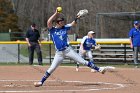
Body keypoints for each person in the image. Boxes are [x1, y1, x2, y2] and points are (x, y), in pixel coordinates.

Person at [34, 8, 106, 87]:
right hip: (59, 53)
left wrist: (77, 17)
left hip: (68, 50)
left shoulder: (65, 27)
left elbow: (72, 24)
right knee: (52, 68)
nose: (63, 22)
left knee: (82, 61)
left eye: (63, 21)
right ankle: (41, 82)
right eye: (61, 21)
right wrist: (56, 13)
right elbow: (48, 22)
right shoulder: (52, 30)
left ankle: (99, 69)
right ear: (57, 23)